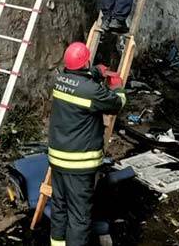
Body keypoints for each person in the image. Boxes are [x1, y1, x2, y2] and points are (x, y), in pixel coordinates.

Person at [47, 42, 125, 246]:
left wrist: (95, 72)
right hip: (79, 164)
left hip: (57, 158)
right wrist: (117, 86)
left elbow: (78, 81)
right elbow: (116, 104)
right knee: (79, 216)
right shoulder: (91, 91)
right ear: (86, 61)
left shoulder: (60, 79)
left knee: (59, 206)